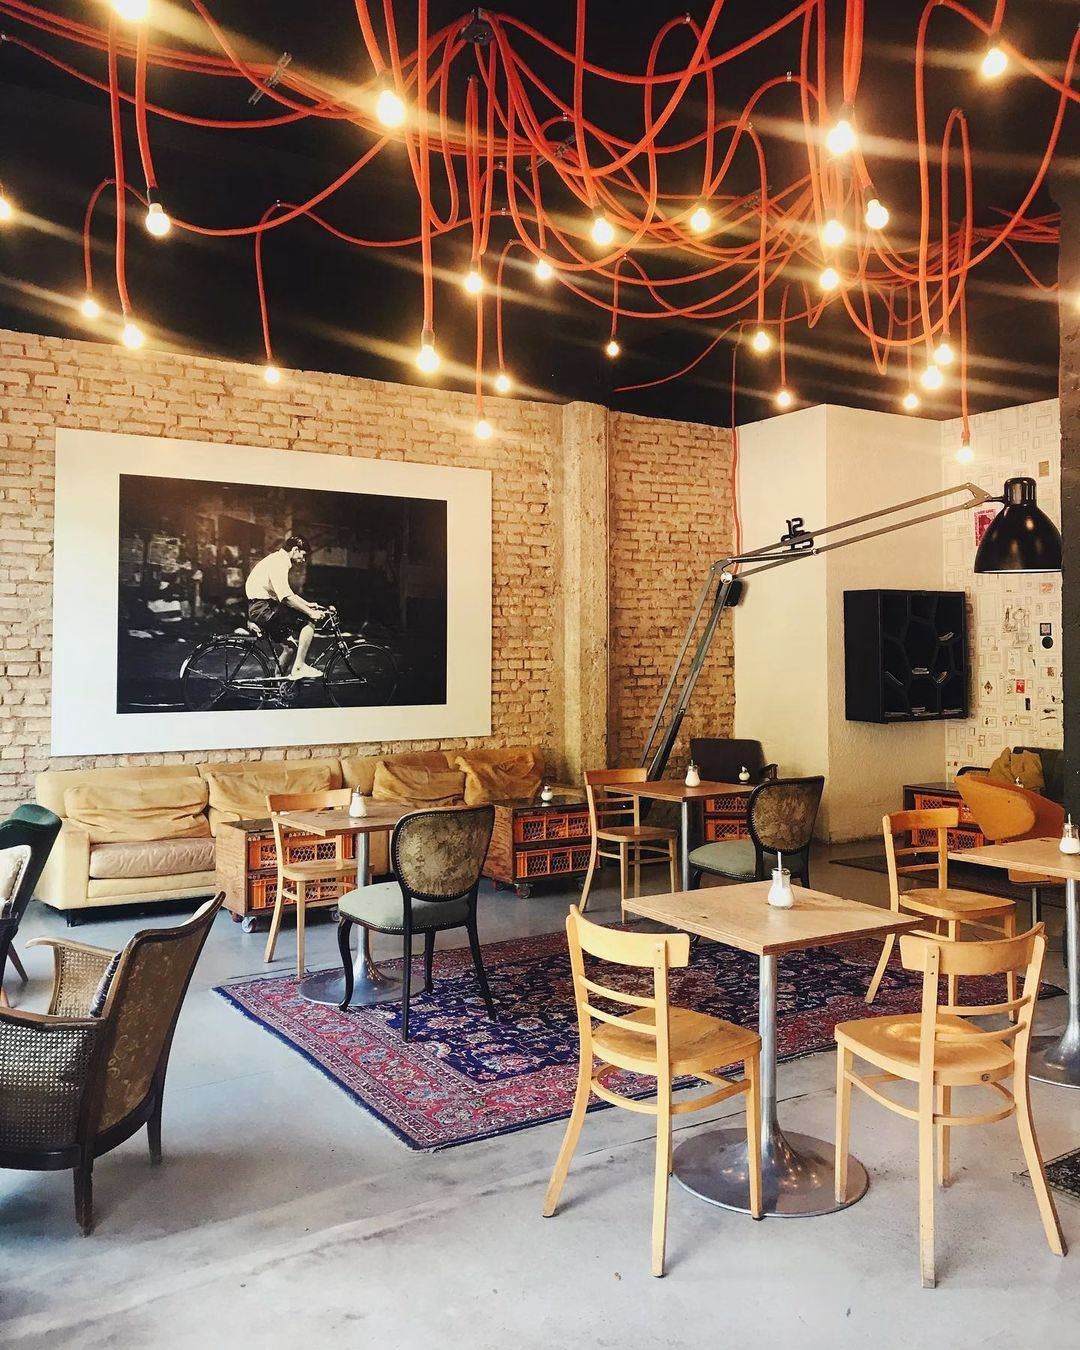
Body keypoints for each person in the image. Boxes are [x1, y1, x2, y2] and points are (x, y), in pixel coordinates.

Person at [244, 535, 325, 679]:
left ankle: (278, 685)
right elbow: (286, 597)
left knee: (290, 647)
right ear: (295, 550)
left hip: (261, 607)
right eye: (303, 555)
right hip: (264, 608)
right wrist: (310, 612)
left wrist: (307, 604)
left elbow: (286, 593)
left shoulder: (277, 559)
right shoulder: (279, 562)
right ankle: (299, 667)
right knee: (308, 621)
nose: (303, 560)